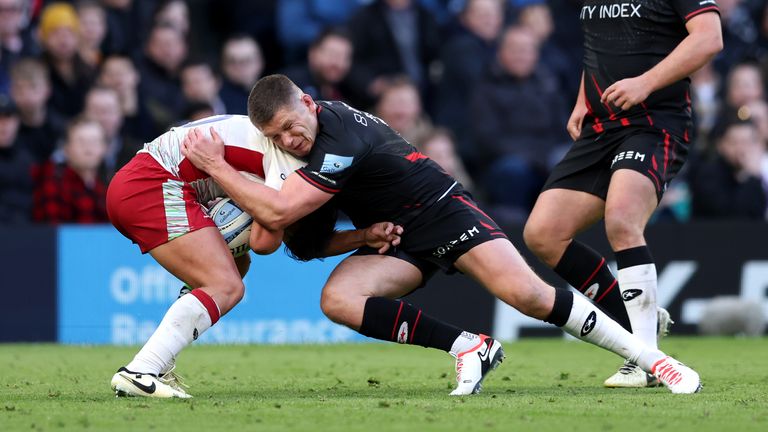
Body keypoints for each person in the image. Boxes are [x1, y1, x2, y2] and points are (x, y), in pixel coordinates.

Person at [181, 74, 703, 395]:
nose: (290, 141)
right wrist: (362, 236)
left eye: (292, 127)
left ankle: (653, 358)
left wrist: (218, 169)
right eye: (277, 138)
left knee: (528, 295)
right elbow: (299, 243)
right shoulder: (294, 158)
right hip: (402, 237)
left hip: (443, 210)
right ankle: (468, 347)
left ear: (309, 104)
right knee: (339, 299)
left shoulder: (340, 133)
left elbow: (281, 210)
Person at [106, 114, 404, 398]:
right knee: (226, 286)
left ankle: (156, 363)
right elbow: (265, 242)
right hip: (151, 184)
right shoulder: (292, 166)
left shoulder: (281, 147)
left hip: (141, 179)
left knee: (237, 265)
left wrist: (362, 236)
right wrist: (269, 216)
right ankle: (142, 370)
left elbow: (298, 242)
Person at [522, 2, 723, 388]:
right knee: (544, 234)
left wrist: (646, 82)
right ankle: (640, 327)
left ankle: (645, 362)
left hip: (653, 123)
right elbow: (604, 45)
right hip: (602, 126)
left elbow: (709, 39)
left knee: (622, 219)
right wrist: (584, 97)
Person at [32, 117, 109, 223]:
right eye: (81, 142)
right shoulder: (54, 182)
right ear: (66, 149)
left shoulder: (107, 187)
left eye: (94, 142)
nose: (88, 148)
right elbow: (50, 230)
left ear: (104, 148)